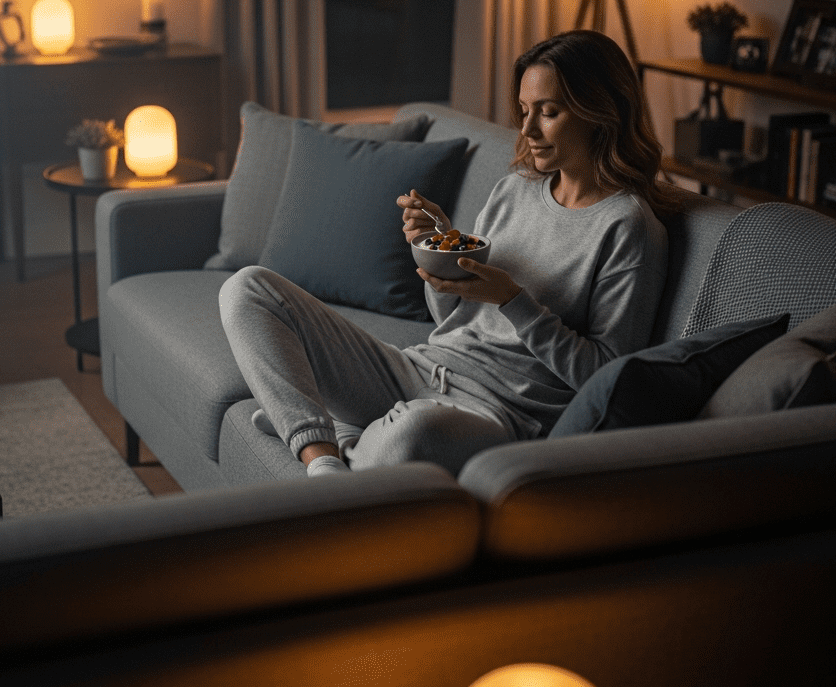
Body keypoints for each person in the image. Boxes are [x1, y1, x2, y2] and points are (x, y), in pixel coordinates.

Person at [219, 30, 672, 478]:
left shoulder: (628, 227)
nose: (528, 130)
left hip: (500, 413)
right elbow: (452, 317)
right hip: (420, 368)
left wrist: (514, 302)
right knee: (247, 288)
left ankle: (326, 428)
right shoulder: (515, 189)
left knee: (413, 434)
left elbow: (609, 377)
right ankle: (323, 458)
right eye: (524, 111)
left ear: (601, 113)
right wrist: (437, 255)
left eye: (549, 113)